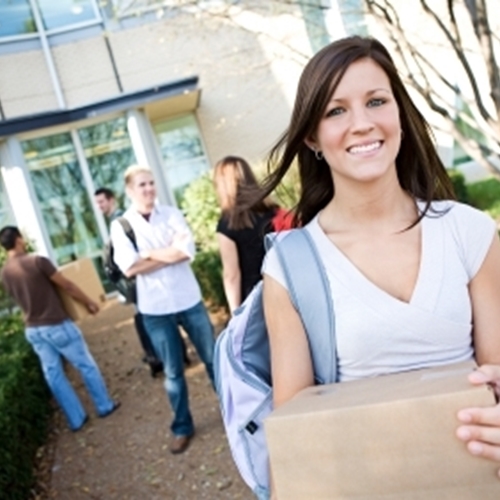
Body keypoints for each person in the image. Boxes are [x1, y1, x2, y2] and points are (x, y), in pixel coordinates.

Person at [243, 35, 500, 491]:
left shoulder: (469, 232)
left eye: (376, 101)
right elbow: (296, 436)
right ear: (312, 136)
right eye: (336, 111)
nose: (361, 124)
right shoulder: (291, 266)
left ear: (399, 113)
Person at [110, 164, 215, 454]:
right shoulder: (122, 226)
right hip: (155, 309)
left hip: (188, 299)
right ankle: (182, 427)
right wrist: (166, 254)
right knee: (173, 372)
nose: (148, 189)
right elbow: (129, 268)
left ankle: (238, 414)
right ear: (130, 190)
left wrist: (146, 255)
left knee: (213, 360)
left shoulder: (172, 214)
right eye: (142, 185)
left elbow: (185, 252)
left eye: (151, 183)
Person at [0, 226, 120, 432]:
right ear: (19, 240)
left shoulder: (4, 273)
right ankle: (104, 405)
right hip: (55, 324)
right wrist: (89, 301)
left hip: (33, 330)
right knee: (86, 365)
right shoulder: (37, 262)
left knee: (53, 374)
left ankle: (76, 419)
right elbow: (68, 286)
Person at [94, 186, 167, 378]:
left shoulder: (121, 220)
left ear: (112, 199)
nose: (99, 206)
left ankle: (159, 358)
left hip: (137, 276)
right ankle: (163, 356)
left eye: (101, 201)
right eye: (97, 203)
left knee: (148, 317)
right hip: (136, 276)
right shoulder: (117, 220)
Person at [213, 156, 288, 312]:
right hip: (285, 288)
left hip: (256, 298)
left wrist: (236, 314)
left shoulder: (228, 224)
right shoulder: (274, 211)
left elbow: (231, 275)